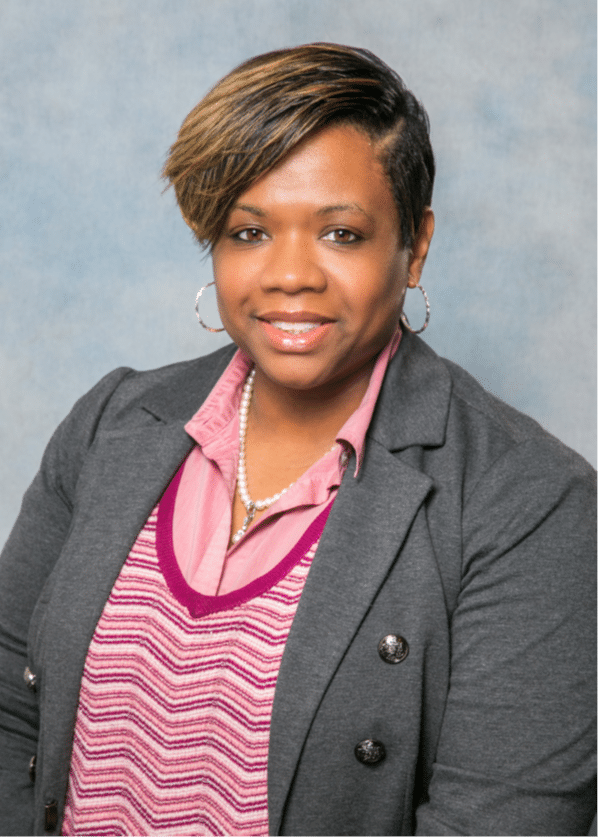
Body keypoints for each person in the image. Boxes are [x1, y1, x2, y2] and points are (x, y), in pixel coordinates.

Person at [0, 43, 595, 837]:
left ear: (415, 246)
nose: (289, 275)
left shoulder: (532, 501)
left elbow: (500, 817)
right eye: (250, 232)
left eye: (341, 233)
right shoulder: (112, 422)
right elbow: (9, 700)